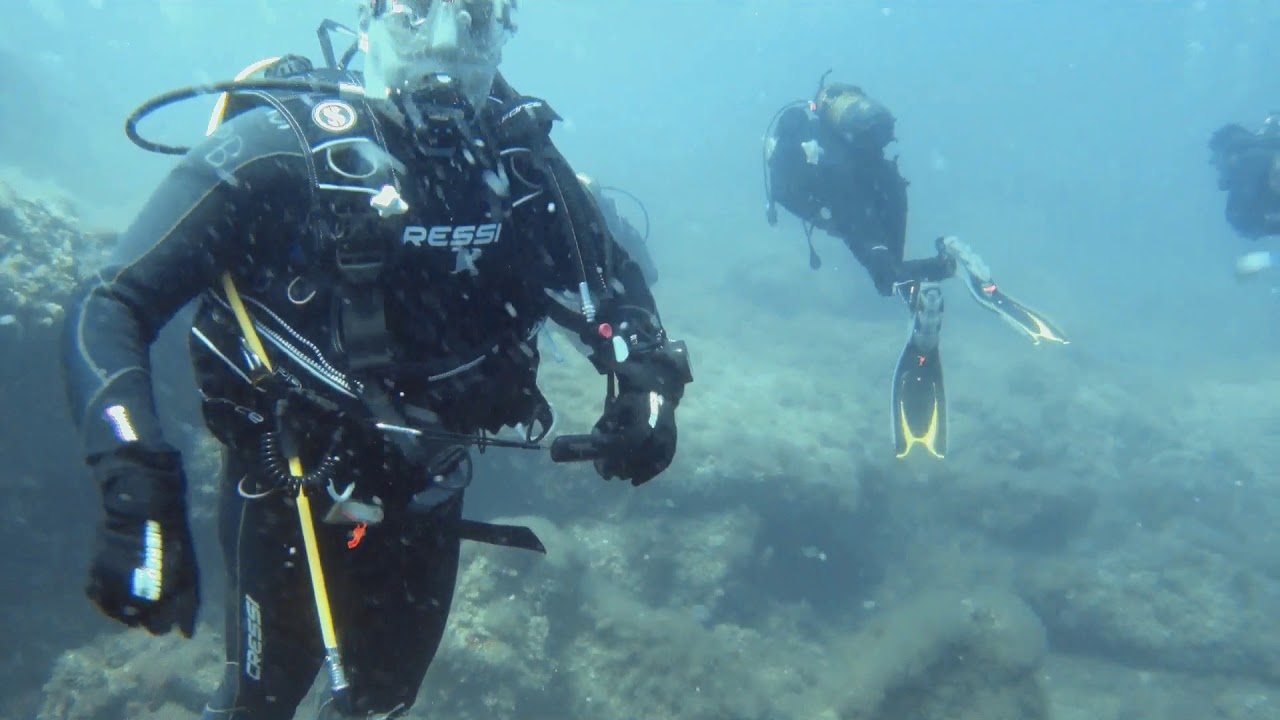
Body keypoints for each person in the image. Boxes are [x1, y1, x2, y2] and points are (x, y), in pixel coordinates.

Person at [60, 2, 692, 719]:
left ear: (507, 31)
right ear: (366, 18)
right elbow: (110, 303)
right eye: (415, 12)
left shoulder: (523, 171)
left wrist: (648, 386)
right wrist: (134, 481)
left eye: (477, 16)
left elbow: (614, 293)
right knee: (257, 704)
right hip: (291, 484)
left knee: (382, 701)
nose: (448, 44)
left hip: (428, 492)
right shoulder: (277, 153)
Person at [763, 76, 1066, 459]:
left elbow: (784, 191)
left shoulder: (802, 127)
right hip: (887, 183)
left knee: (886, 276)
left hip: (847, 194)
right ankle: (949, 262)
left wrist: (824, 215)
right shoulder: (857, 135)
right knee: (893, 268)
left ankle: (924, 295)